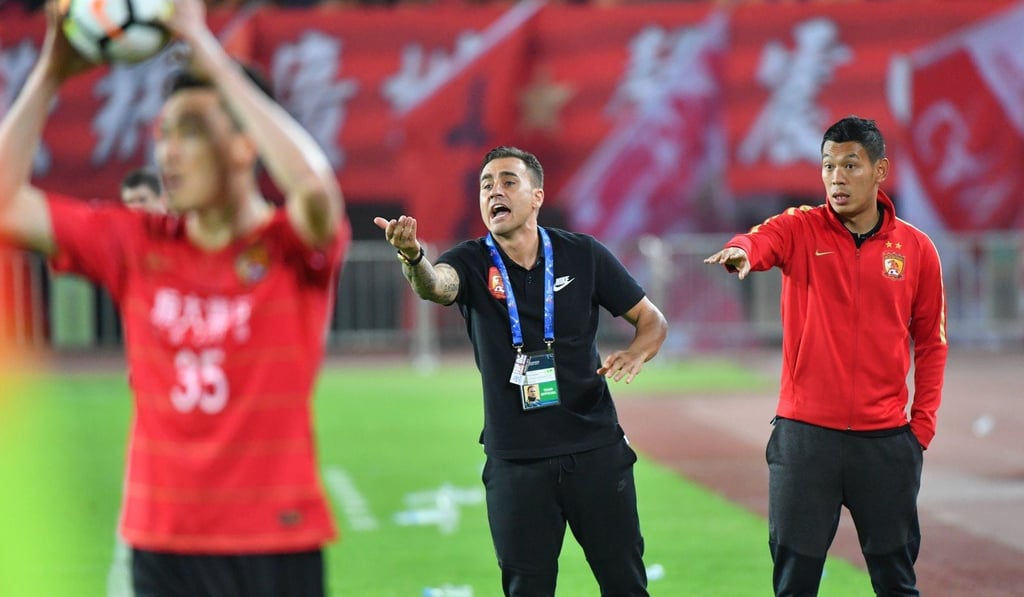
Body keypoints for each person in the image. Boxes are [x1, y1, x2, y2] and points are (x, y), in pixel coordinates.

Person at [0, 0, 349, 594]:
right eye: (163, 134)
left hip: (276, 538)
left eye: (189, 132)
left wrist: (205, 48)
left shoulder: (289, 247)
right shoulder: (136, 243)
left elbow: (315, 188)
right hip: (163, 540)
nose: (168, 153)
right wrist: (51, 72)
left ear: (244, 147)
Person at [374, 145, 668, 596]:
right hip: (517, 462)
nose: (495, 191)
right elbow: (437, 287)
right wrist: (413, 258)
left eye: (508, 181)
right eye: (486, 185)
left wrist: (636, 353)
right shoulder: (470, 261)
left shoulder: (582, 254)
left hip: (595, 451)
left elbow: (652, 320)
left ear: (537, 196)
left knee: (625, 584)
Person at [704, 116, 948, 596]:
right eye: (828, 165)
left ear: (880, 172)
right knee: (795, 584)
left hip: (886, 444)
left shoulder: (917, 249)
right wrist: (741, 252)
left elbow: (932, 343)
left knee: (896, 582)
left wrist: (920, 429)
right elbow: (761, 239)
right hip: (805, 443)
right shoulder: (800, 228)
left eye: (850, 165)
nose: (837, 177)